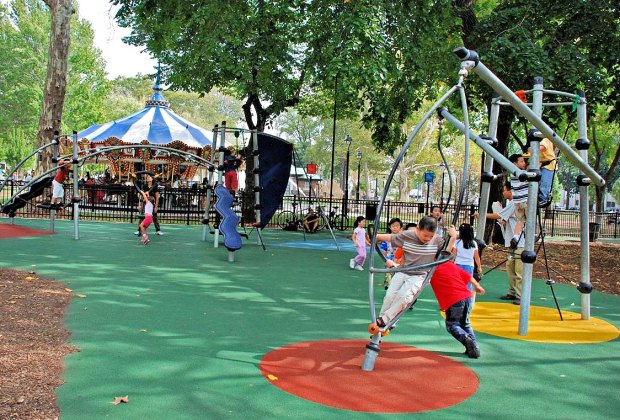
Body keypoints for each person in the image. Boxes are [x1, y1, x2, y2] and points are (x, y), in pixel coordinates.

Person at [374, 216, 457, 327]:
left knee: (405, 297)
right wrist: (377, 236)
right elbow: (392, 237)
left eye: (430, 236)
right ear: (418, 229)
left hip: (419, 275)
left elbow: (444, 256)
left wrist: (453, 238)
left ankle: (385, 320)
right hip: (403, 270)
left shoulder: (437, 240)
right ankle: (382, 322)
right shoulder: (408, 235)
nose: (428, 238)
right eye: (425, 235)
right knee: (389, 296)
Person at [428, 260, 485, 358]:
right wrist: (477, 285)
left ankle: (466, 338)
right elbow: (468, 276)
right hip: (467, 297)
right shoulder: (449, 264)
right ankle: (474, 349)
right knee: (465, 324)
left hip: (453, 300)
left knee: (452, 325)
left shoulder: (431, 267)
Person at [484, 182, 525, 305]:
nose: (503, 192)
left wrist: (483, 215)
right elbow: (506, 218)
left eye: (504, 190)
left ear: (510, 190)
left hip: (521, 243)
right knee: (510, 266)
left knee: (519, 270)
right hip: (512, 243)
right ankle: (512, 292)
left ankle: (520, 295)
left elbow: (499, 215)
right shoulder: (511, 204)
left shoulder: (515, 203)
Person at [508, 153, 528, 249]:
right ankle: (529, 236)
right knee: (530, 220)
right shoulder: (522, 173)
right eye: (522, 161)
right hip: (526, 201)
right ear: (515, 164)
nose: (524, 163)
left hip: (517, 203)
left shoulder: (512, 174)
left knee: (520, 221)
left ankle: (515, 237)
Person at [379, 218, 403, 289]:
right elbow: (383, 250)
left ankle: (396, 288)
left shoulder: (402, 238)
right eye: (393, 226)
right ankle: (389, 286)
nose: (395, 228)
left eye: (397, 226)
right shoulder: (386, 238)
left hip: (399, 261)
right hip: (389, 260)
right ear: (390, 227)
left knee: (398, 275)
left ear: (400, 228)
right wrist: (385, 260)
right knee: (389, 274)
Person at [534, 137, 557, 207]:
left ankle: (543, 198)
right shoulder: (540, 141)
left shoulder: (546, 139)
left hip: (548, 165)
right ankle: (539, 197)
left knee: (544, 182)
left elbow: (542, 147)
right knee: (540, 182)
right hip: (543, 164)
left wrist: (533, 149)